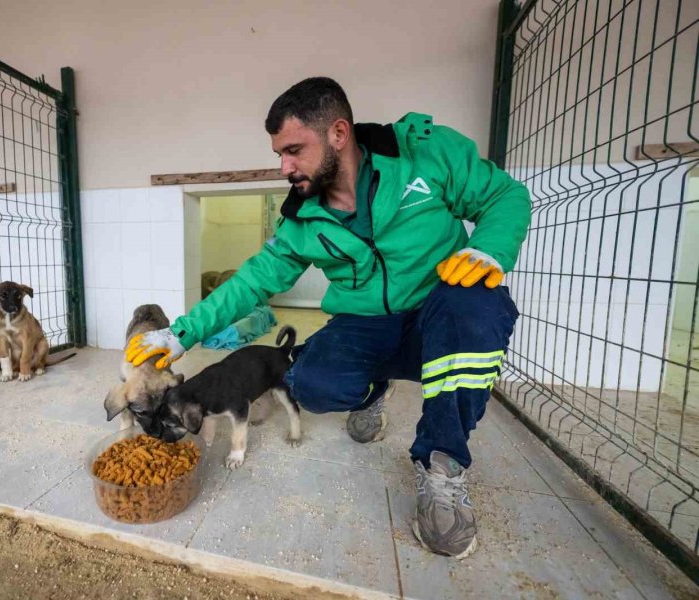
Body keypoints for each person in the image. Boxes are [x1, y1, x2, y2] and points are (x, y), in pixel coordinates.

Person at [125, 77, 530, 559]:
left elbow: (504, 195)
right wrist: (182, 334)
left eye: (294, 149)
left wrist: (490, 249)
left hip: (437, 310)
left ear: (339, 133)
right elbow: (254, 279)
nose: (284, 166)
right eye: (279, 153)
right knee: (310, 383)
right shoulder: (301, 217)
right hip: (367, 324)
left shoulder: (424, 153)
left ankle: (442, 465)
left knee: (476, 306)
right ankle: (373, 392)